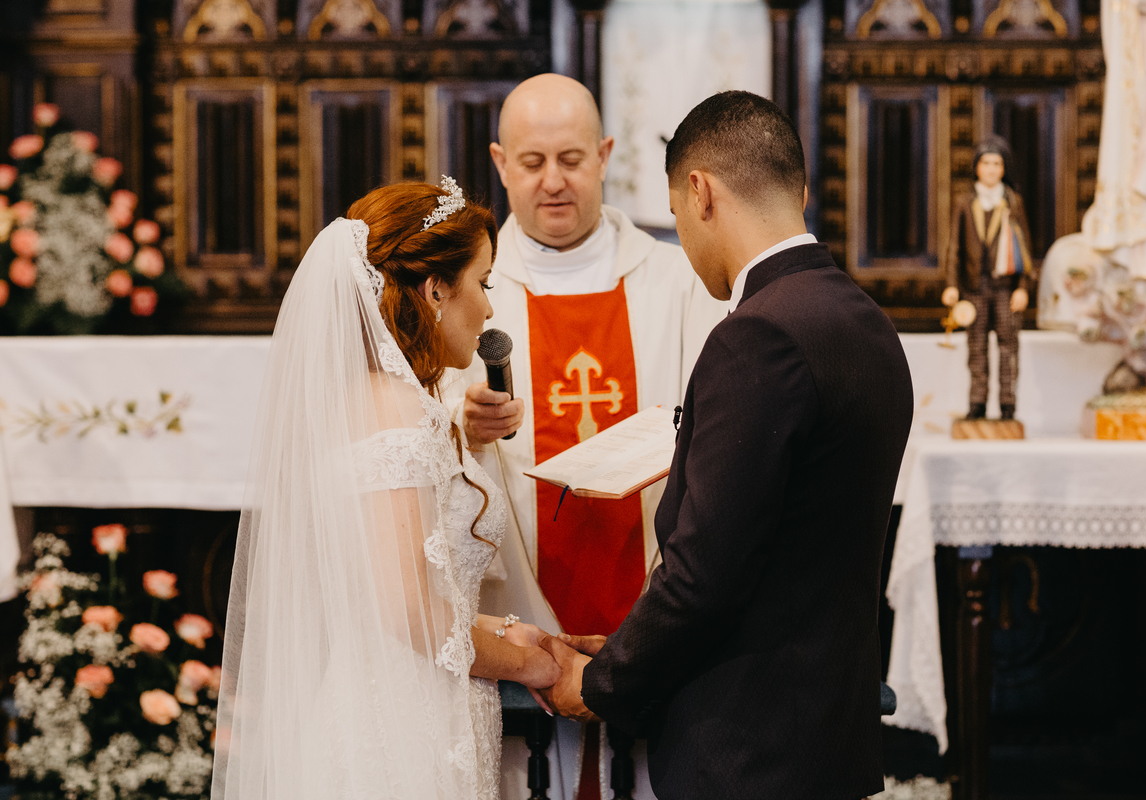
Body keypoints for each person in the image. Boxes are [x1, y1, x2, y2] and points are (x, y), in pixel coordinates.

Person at [537, 91, 914, 800]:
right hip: (829, 739)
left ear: (700, 192)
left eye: (677, 214)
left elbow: (704, 575)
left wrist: (602, 680)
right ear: (796, 187)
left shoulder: (756, 337)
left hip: (748, 753)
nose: (683, 235)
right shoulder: (865, 320)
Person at [210, 180, 560, 800]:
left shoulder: (392, 403)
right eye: (483, 283)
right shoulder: (394, 412)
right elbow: (410, 614)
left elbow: (397, 594)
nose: (488, 308)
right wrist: (530, 662)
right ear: (434, 290)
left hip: (416, 708)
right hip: (401, 737)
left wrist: (503, 630)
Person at [447, 74, 723, 798]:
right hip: (521, 608)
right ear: (500, 162)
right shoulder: (465, 290)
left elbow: (722, 426)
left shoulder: (676, 281)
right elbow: (412, 432)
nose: (553, 182)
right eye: (532, 163)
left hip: (654, 593)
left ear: (604, 155)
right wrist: (462, 424)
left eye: (571, 159)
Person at [941, 135, 1033, 421]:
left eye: (997, 164)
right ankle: (977, 403)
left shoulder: (1012, 202)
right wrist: (952, 285)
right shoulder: (965, 202)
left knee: (1008, 348)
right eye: (986, 163)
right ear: (977, 167)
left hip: (1005, 289)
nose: (992, 169)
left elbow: (1025, 248)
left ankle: (1008, 405)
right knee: (976, 348)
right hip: (974, 289)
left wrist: (1023, 286)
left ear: (1004, 169)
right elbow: (953, 248)